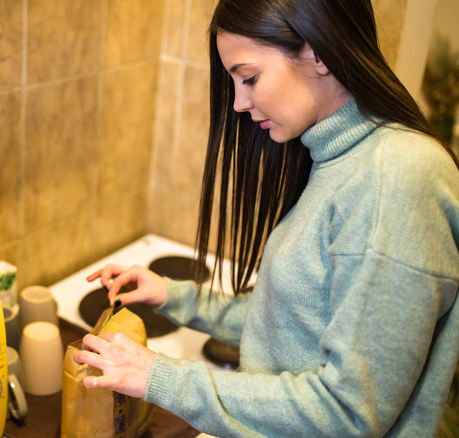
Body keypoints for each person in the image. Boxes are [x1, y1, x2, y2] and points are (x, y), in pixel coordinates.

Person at [73, 0, 459, 436]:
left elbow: (349, 413)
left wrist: (160, 377)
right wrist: (173, 297)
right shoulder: (341, 161)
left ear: (317, 53)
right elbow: (295, 326)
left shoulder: (397, 177)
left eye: (249, 78)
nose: (238, 102)